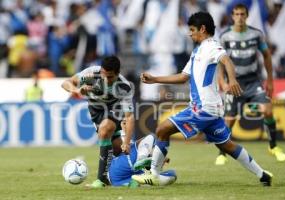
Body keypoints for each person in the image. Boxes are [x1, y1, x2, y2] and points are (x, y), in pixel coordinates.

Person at [132, 11, 273, 187]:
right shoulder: (197, 51)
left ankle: (153, 174)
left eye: (192, 29)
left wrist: (233, 79)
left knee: (162, 129)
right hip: (211, 110)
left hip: (202, 108)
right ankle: (263, 175)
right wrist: (155, 79)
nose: (189, 33)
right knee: (226, 145)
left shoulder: (211, 45)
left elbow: (227, 61)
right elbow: (183, 77)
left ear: (203, 29)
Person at [215, 3, 285, 166]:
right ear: (232, 16)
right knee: (229, 121)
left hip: (253, 81)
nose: (239, 17)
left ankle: (273, 147)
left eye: (242, 14)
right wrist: (222, 81)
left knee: (267, 110)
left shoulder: (256, 34)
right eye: (236, 14)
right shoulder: (225, 36)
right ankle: (222, 153)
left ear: (246, 16)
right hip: (234, 83)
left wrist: (269, 79)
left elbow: (267, 56)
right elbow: (219, 62)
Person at [61, 55, 135, 188]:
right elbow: (66, 83)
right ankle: (148, 158)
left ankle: (101, 180)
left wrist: (127, 142)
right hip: (96, 112)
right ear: (101, 70)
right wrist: (77, 90)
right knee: (118, 149)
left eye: (110, 77)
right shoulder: (90, 74)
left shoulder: (124, 87)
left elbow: (129, 117)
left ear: (118, 73)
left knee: (105, 130)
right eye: (104, 75)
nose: (106, 80)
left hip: (114, 109)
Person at [108, 122, 176, 188]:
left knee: (171, 174)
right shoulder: (121, 137)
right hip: (125, 165)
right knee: (152, 136)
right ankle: (149, 161)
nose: (127, 126)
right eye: (124, 123)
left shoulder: (125, 137)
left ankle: (149, 164)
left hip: (115, 177)